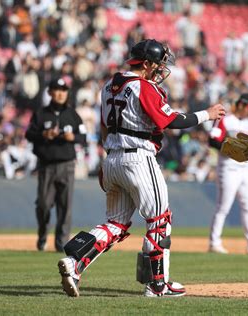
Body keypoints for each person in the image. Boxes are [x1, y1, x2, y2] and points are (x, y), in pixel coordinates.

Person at [57, 39, 225, 298]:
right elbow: (169, 120)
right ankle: (157, 285)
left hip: (112, 157)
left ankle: (75, 262)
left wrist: (109, 160)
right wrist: (207, 114)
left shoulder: (108, 86)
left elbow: (103, 128)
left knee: (115, 224)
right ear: (145, 63)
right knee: (159, 221)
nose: (160, 70)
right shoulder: (143, 86)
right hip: (138, 159)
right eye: (157, 65)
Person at [25, 78, 87, 252]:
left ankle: (61, 244)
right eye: (57, 90)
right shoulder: (41, 114)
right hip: (47, 165)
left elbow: (83, 136)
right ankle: (43, 234)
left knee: (65, 207)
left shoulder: (72, 115)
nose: (60, 93)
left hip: (67, 165)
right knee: (44, 204)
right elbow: (29, 134)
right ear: (50, 92)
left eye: (63, 90)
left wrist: (72, 138)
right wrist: (44, 134)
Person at [208, 93, 248, 255]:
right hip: (228, 167)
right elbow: (213, 141)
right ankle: (214, 242)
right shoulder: (225, 119)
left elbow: (247, 151)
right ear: (242, 105)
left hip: (244, 169)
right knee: (223, 206)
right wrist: (233, 149)